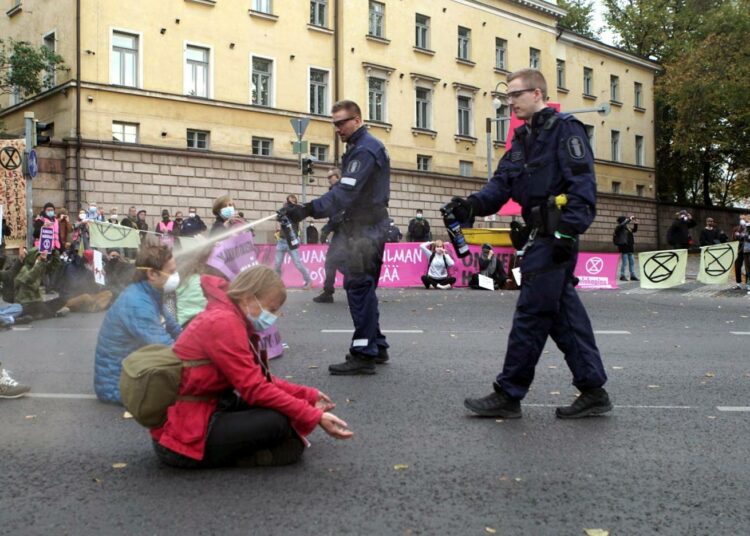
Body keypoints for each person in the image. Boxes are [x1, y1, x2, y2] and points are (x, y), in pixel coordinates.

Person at [444, 68, 611, 419]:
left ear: (537, 94)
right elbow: (501, 185)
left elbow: (582, 187)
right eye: (506, 97)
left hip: (556, 236)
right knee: (563, 316)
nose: (510, 102)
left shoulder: (566, 131)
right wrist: (470, 205)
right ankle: (593, 390)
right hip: (540, 234)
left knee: (531, 314)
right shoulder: (521, 140)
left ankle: (509, 392)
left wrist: (568, 233)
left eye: (515, 95)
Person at [151, 265, 353, 468]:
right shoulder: (224, 323)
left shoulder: (228, 316)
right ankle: (246, 457)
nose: (273, 316)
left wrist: (307, 396)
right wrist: (314, 415)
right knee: (277, 423)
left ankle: (252, 452)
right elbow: (255, 389)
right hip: (182, 435)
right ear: (247, 298)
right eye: (271, 309)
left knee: (282, 415)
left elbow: (258, 379)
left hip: (203, 410)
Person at [281, 100, 390, 375]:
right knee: (364, 289)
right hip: (365, 226)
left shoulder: (364, 150)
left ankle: (364, 353)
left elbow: (344, 194)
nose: (338, 129)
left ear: (357, 119)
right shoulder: (360, 147)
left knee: (358, 288)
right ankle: (377, 345)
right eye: (335, 124)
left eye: (342, 122)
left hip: (364, 229)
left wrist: (307, 209)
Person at [94, 242, 182, 404]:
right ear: (152, 274)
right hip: (120, 386)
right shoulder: (137, 303)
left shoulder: (149, 294)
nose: (176, 276)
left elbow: (175, 330)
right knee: (194, 396)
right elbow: (166, 348)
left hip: (133, 376)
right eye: (171, 272)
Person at [313, 168, 346, 304]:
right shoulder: (336, 192)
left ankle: (328, 292)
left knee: (333, 262)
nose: (328, 179)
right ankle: (328, 291)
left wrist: (327, 229)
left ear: (337, 177)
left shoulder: (339, 192)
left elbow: (339, 215)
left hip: (344, 232)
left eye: (330, 176)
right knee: (335, 262)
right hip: (342, 232)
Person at [13, 248, 70, 320]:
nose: (40, 258)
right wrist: (41, 262)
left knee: (62, 300)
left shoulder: (39, 266)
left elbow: (54, 265)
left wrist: (54, 252)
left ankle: (43, 313)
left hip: (36, 301)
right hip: (25, 303)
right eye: (38, 256)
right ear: (32, 258)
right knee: (43, 308)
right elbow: (30, 278)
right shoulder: (25, 268)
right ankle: (50, 314)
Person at [274, 194, 312, 289]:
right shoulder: (283, 212)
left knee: (298, 263)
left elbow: (296, 213)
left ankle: (308, 280)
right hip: (282, 240)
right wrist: (283, 209)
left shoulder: (295, 214)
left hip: (292, 241)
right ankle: (277, 283)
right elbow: (277, 219)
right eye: (288, 201)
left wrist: (289, 208)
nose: (289, 204)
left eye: (291, 202)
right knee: (277, 263)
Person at [614, 215, 639, 282]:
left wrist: (635, 224)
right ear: (622, 221)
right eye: (625, 220)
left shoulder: (627, 228)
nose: (626, 221)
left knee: (632, 261)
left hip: (630, 246)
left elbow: (634, 230)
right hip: (623, 246)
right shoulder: (619, 227)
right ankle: (622, 275)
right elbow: (622, 224)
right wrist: (629, 219)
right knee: (624, 262)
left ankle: (632, 275)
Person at [733, 215, 750, 290]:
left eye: (743, 219)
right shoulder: (736, 228)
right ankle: (738, 283)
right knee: (737, 266)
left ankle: (747, 283)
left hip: (747, 249)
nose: (742, 220)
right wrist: (737, 236)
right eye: (741, 219)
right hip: (739, 250)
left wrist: (745, 236)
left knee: (748, 267)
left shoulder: (748, 227)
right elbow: (734, 238)